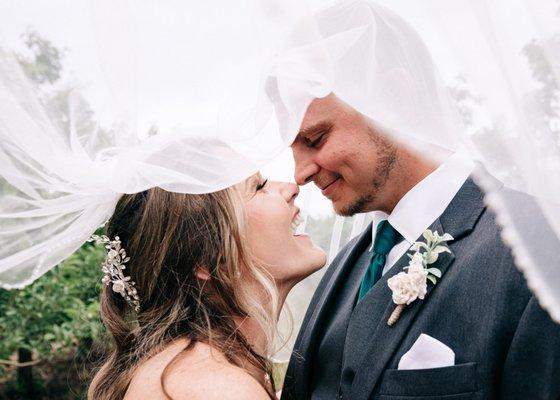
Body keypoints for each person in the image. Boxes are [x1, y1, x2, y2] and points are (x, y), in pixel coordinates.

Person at [279, 92, 560, 399]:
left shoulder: (539, 244)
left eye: (315, 139)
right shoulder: (344, 264)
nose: (300, 174)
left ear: (392, 96)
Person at [87, 175, 326, 400]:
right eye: (258, 187)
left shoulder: (186, 375)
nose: (292, 188)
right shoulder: (219, 389)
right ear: (210, 259)